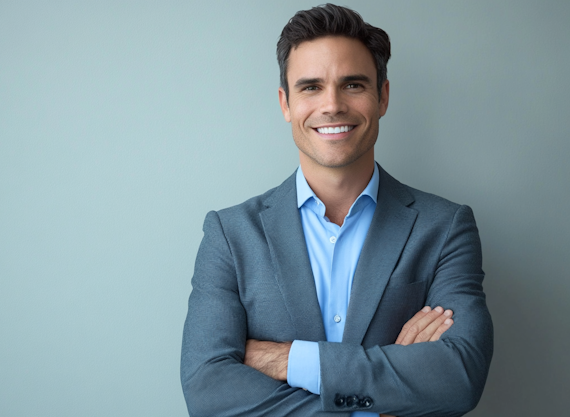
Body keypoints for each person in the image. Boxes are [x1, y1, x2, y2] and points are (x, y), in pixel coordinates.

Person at [181, 4, 493, 416]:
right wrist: (377, 402)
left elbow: (457, 379)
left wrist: (288, 359)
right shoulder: (230, 234)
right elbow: (207, 391)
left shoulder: (446, 227)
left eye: (352, 85)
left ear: (382, 96)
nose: (332, 105)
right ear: (285, 103)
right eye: (310, 87)